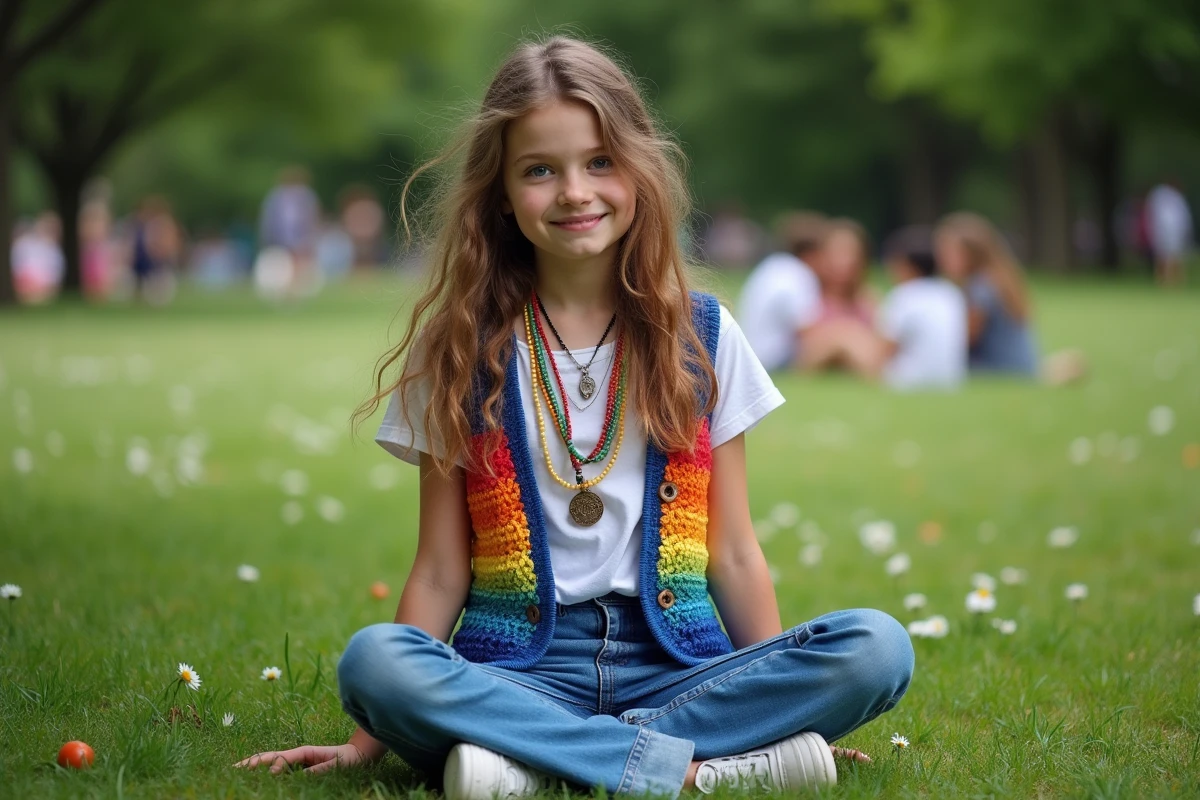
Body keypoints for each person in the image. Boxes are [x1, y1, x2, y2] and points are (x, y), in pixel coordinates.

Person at [235, 37, 912, 799]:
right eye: (539, 171)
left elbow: (734, 552)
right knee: (374, 663)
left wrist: (784, 709)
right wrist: (369, 737)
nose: (574, 192)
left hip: (678, 665)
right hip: (523, 670)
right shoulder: (459, 350)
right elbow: (438, 567)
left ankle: (523, 764)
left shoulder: (705, 337)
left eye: (598, 162)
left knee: (876, 648)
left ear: (637, 171)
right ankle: (686, 767)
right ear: (501, 193)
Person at [934, 212, 1039, 377]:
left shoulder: (981, 288)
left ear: (972, 254)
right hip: (1019, 368)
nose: (941, 259)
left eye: (949, 252)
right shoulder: (998, 280)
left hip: (998, 370)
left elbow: (965, 339)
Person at [876, 226, 967, 391]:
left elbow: (885, 352)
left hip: (907, 382)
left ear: (907, 266)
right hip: (950, 383)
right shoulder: (951, 293)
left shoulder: (903, 295)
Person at [736, 211, 826, 372]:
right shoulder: (800, 275)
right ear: (813, 253)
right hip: (774, 360)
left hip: (752, 355)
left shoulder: (771, 267)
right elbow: (807, 333)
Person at [799, 218, 878, 372]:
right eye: (837, 252)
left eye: (851, 252)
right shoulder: (807, 296)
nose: (844, 261)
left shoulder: (868, 301)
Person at [1145, 179, 1193, 286]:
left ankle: (1173, 279)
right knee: (1165, 256)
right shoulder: (1162, 196)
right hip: (1164, 231)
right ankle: (1165, 280)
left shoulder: (1173, 198)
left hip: (1171, 231)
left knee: (1173, 256)